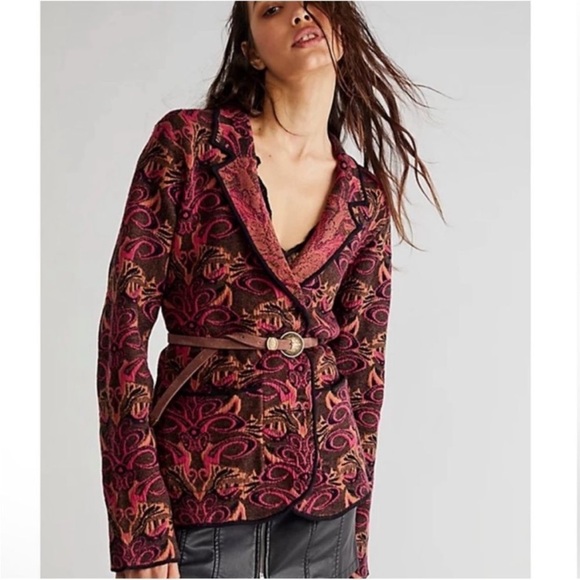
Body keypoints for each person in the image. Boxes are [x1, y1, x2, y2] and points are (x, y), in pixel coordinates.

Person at [96, 1, 445, 578]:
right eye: (272, 8)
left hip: (327, 490)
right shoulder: (190, 146)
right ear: (251, 51)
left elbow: (364, 371)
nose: (299, 15)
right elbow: (122, 334)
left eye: (312, 2)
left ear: (341, 32)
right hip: (205, 473)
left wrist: (357, 548)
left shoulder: (363, 199)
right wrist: (140, 526)